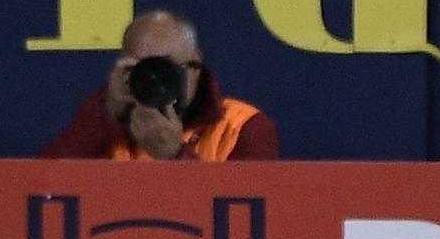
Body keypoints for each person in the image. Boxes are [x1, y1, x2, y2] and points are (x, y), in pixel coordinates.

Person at [41, 10, 277, 161]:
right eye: (143, 70)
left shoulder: (242, 128)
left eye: (166, 69)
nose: (156, 80)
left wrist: (174, 156)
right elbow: (43, 191)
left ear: (195, 64)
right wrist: (105, 113)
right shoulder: (104, 120)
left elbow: (247, 223)